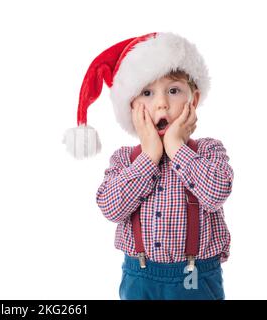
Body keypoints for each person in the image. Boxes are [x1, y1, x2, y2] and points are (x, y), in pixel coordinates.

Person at [63, 32, 234, 300]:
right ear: (131, 106)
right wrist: (150, 156)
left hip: (196, 277)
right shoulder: (124, 160)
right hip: (140, 278)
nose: (161, 102)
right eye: (147, 92)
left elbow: (215, 193)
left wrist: (176, 146)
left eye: (174, 90)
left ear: (194, 100)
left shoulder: (209, 151)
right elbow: (111, 208)